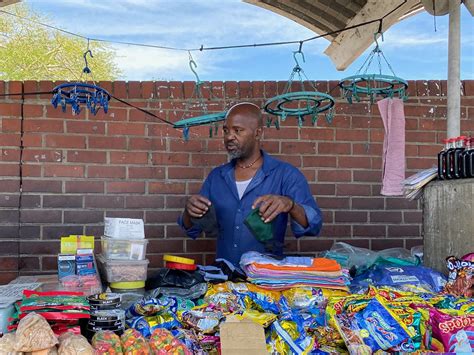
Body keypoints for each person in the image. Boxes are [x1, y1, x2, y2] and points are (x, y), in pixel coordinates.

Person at [178, 102, 323, 267]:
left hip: (265, 281)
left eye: (237, 130)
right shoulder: (217, 177)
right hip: (224, 280)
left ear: (258, 133)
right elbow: (191, 229)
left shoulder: (285, 174)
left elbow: (314, 226)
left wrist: (290, 205)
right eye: (226, 130)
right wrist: (189, 212)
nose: (229, 137)